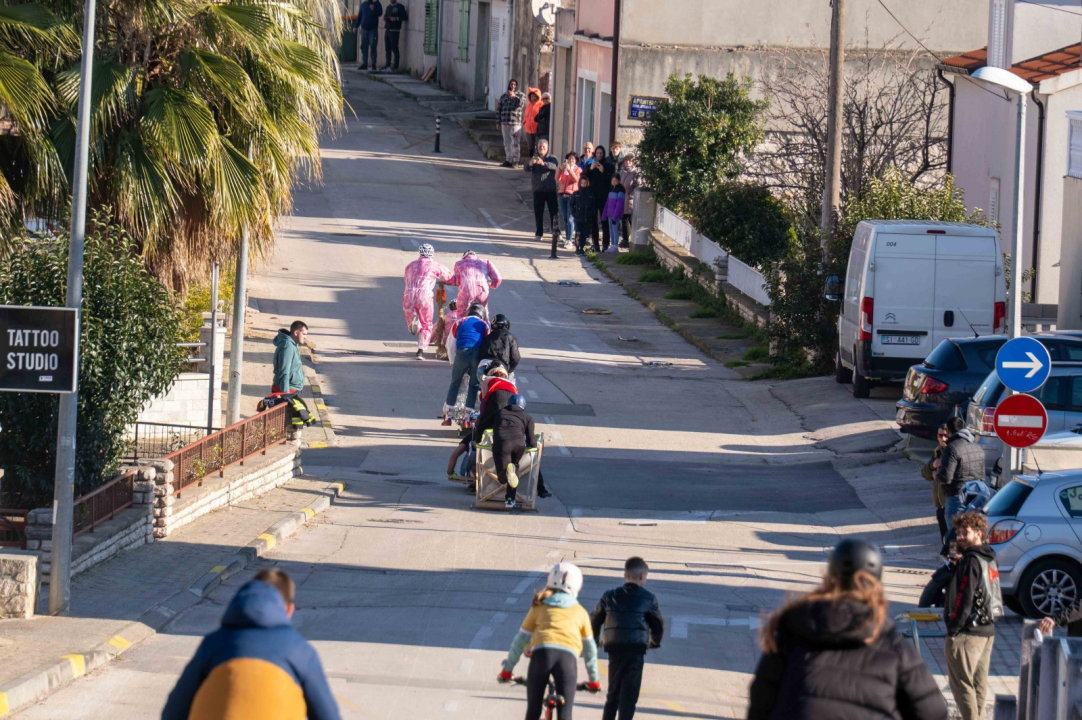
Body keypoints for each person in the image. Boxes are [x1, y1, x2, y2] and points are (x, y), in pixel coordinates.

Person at [748, 538, 948, 720]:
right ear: (876, 583)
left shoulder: (792, 632)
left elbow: (760, 702)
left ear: (831, 577)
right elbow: (934, 712)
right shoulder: (894, 648)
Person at [162, 568, 340, 720]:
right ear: (289, 610)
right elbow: (327, 715)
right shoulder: (300, 650)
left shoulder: (214, 644)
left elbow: (174, 711)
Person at [498, 562, 602, 718]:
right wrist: (594, 680)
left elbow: (521, 640)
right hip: (567, 660)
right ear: (576, 585)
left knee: (533, 710)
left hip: (542, 655)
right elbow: (590, 650)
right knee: (565, 713)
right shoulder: (580, 612)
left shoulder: (538, 606)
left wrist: (507, 670)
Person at [590, 557, 664, 720]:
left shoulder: (609, 596)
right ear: (642, 575)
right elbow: (657, 625)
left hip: (614, 649)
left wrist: (596, 640)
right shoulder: (649, 598)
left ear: (625, 576)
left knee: (613, 694)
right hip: (635, 650)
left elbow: (594, 619)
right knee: (629, 697)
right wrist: (653, 642)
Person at [943, 512, 1000, 720]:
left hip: (967, 632)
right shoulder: (989, 558)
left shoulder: (971, 561)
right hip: (987, 631)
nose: (960, 537)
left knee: (962, 686)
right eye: (958, 533)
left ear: (978, 534)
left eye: (965, 533)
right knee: (978, 686)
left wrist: (953, 629)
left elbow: (964, 597)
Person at [475, 393, 535, 508]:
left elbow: (481, 426)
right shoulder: (528, 417)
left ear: (508, 403)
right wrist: (532, 445)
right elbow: (531, 441)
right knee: (514, 468)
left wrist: (478, 441)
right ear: (523, 405)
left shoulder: (499, 412)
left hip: (502, 443)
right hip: (519, 443)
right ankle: (510, 499)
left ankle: (507, 472)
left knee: (503, 478)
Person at [403, 244, 453, 361]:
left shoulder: (410, 266)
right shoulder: (435, 265)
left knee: (410, 313)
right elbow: (449, 277)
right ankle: (420, 351)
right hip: (424, 295)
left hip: (409, 294)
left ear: (420, 252)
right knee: (427, 324)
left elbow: (406, 278)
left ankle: (415, 324)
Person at [936, 416, 985, 530]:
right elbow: (982, 476)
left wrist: (936, 476)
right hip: (976, 497)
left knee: (955, 537)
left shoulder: (951, 448)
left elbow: (945, 478)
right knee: (972, 534)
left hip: (956, 498)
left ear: (948, 431)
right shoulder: (977, 446)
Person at [443, 302, 488, 424]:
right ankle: (467, 418)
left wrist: (452, 361)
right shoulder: (484, 325)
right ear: (482, 315)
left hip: (462, 352)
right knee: (473, 386)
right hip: (477, 355)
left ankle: (448, 417)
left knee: (455, 384)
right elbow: (486, 345)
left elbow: (450, 343)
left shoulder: (459, 322)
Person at [526, 139, 560, 253]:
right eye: (540, 146)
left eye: (543, 146)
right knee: (538, 212)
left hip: (550, 190)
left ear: (547, 148)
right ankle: (539, 233)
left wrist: (543, 163)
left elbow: (554, 166)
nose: (541, 148)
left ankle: (555, 232)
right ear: (537, 147)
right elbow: (526, 168)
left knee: (553, 212)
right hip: (538, 190)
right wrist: (530, 164)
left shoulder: (552, 158)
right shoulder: (534, 157)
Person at [450, 249, 502, 318]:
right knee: (483, 312)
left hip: (466, 290)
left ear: (464, 257)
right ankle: (485, 326)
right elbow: (498, 278)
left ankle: (462, 327)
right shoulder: (486, 262)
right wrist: (491, 286)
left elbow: (457, 281)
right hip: (482, 290)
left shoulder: (459, 263)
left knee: (462, 314)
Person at [922, 423, 950, 542]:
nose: (943, 438)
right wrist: (932, 466)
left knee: (951, 538)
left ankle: (952, 557)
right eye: (940, 435)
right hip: (940, 504)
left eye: (946, 435)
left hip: (950, 502)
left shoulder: (951, 452)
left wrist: (937, 476)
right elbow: (925, 474)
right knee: (944, 538)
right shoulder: (938, 452)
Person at [586, 146, 615, 251]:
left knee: (604, 221)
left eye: (601, 153)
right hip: (593, 196)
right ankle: (595, 244)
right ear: (595, 154)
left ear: (604, 154)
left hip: (604, 197)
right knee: (593, 221)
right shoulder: (591, 165)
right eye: (597, 153)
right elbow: (584, 177)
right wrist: (591, 169)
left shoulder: (609, 166)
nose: (599, 155)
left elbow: (611, 180)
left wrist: (604, 171)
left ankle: (606, 244)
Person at [496, 80, 526, 168]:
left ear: (516, 86)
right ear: (509, 85)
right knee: (507, 142)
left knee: (515, 143)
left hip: (515, 123)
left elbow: (521, 104)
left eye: (515, 84)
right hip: (504, 123)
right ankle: (508, 160)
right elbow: (499, 110)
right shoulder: (503, 96)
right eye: (511, 84)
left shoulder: (520, 95)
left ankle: (515, 161)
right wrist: (498, 122)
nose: (513, 86)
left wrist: (514, 96)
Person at [272, 321, 307, 394]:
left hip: (292, 388)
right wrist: (285, 395)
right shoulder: (287, 347)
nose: (305, 337)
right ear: (296, 333)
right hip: (287, 390)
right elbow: (284, 371)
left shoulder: (293, 344)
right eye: (303, 334)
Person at [557, 152, 581, 250]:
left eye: (573, 159)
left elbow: (576, 180)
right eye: (569, 158)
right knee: (565, 218)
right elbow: (557, 178)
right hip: (562, 195)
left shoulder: (578, 169)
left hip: (571, 196)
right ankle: (567, 238)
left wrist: (570, 170)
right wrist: (560, 169)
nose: (571, 160)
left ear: (575, 161)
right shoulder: (564, 169)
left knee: (570, 219)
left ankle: (569, 239)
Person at [571, 175, 598, 255]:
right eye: (582, 183)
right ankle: (577, 247)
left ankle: (582, 247)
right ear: (580, 183)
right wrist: (574, 213)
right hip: (578, 217)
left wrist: (591, 213)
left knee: (584, 233)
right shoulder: (576, 194)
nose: (583, 184)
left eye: (585, 183)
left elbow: (593, 205)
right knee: (578, 233)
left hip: (587, 217)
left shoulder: (590, 194)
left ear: (587, 183)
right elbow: (571, 204)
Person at [352, 0, 382, 70]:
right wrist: (356, 26)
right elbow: (359, 16)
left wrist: (373, 10)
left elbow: (380, 13)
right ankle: (364, 63)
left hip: (373, 29)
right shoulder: (363, 5)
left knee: (373, 46)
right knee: (364, 47)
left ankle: (373, 64)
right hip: (364, 29)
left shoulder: (377, 3)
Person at [618, 155, 639, 249]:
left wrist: (631, 193)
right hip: (623, 199)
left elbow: (639, 185)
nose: (627, 162)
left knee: (630, 220)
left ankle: (633, 239)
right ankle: (625, 239)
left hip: (631, 199)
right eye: (626, 161)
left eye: (629, 161)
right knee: (624, 220)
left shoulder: (635, 172)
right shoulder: (622, 172)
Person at [600, 178, 626, 254]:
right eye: (612, 180)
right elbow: (607, 204)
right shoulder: (611, 190)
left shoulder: (620, 191)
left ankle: (615, 246)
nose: (614, 182)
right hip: (609, 214)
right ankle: (612, 245)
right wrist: (604, 215)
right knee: (611, 230)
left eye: (615, 180)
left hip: (615, 215)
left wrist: (615, 216)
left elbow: (619, 205)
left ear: (619, 181)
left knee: (615, 230)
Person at [381, 0, 408, 71]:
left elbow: (404, 17)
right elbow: (385, 16)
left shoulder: (400, 7)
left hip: (395, 30)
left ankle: (396, 66)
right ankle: (387, 65)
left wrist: (396, 19)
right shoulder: (388, 7)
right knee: (387, 49)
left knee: (394, 48)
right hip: (387, 29)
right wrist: (386, 19)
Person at [522, 88, 542, 159]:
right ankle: (531, 160)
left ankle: (537, 161)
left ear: (538, 96)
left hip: (537, 130)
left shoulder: (541, 105)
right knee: (530, 146)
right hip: (528, 130)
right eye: (532, 96)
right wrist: (524, 123)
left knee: (538, 146)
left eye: (535, 96)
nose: (533, 98)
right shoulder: (528, 106)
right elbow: (526, 116)